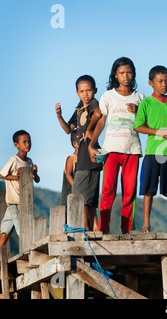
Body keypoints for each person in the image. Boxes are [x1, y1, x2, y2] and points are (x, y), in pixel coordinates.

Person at [88, 57, 145, 234]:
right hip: (111, 150)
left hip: (132, 150)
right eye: (122, 73)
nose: (126, 76)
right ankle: (103, 230)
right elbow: (101, 122)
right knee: (107, 190)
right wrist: (91, 144)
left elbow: (145, 124)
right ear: (115, 75)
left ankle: (126, 230)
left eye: (128, 72)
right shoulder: (108, 96)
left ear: (133, 73)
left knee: (129, 193)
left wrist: (139, 112)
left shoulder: (140, 97)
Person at [133, 65, 167, 234]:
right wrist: (157, 132)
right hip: (152, 151)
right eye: (160, 81)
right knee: (148, 189)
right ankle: (146, 226)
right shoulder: (146, 103)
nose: (164, 84)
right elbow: (138, 126)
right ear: (151, 83)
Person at [55, 75, 102, 231]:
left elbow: (98, 113)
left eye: (88, 90)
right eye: (82, 91)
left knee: (79, 194)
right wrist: (59, 116)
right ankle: (93, 227)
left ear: (95, 90)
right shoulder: (79, 109)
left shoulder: (92, 104)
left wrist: (89, 129)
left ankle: (86, 227)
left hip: (90, 154)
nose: (86, 94)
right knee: (88, 196)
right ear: (77, 93)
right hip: (84, 156)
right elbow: (69, 129)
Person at [0, 130, 40, 261]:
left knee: (6, 229)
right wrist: (15, 176)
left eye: (29, 141)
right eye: (24, 142)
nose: (28, 144)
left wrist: (34, 172)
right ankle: (28, 252)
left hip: (24, 201)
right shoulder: (13, 160)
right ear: (16, 145)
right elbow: (1, 175)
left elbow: (37, 180)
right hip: (14, 201)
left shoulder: (29, 161)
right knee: (22, 228)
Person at [59, 130, 78, 206]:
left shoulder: (85, 159)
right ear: (75, 144)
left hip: (80, 196)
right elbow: (68, 174)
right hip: (70, 196)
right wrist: (77, 188)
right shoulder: (71, 158)